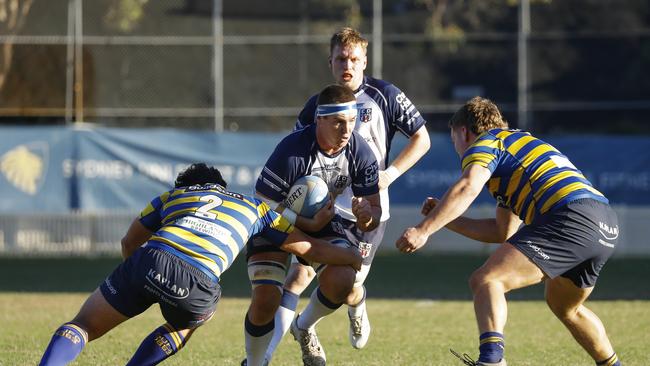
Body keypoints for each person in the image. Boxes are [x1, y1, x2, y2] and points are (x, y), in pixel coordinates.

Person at [39, 163, 362, 366]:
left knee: (82, 325)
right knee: (185, 324)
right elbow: (310, 248)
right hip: (198, 282)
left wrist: (140, 282)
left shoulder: (173, 196)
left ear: (188, 186)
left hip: (150, 259)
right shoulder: (254, 207)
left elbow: (128, 243)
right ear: (220, 186)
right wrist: (351, 255)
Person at [396, 97, 621, 366]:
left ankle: (492, 360)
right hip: (604, 223)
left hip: (569, 216)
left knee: (487, 280)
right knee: (565, 306)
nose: (457, 147)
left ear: (464, 132)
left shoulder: (487, 142)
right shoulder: (519, 151)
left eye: (454, 137)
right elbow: (502, 232)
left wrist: (424, 230)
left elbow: (468, 186)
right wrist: (445, 219)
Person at [258, 26, 431, 365]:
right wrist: (305, 209)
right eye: (340, 59)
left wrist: (388, 176)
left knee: (346, 287)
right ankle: (270, 353)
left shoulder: (386, 95)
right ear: (331, 62)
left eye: (354, 58)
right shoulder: (318, 105)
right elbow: (298, 161)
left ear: (365, 61)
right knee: (297, 276)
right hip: (321, 207)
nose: (347, 65)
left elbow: (422, 138)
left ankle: (340, 310)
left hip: (366, 211)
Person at [244, 84, 381, 366]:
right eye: (338, 122)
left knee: (344, 280)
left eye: (352, 122)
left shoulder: (361, 152)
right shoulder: (293, 150)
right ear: (319, 118)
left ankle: (304, 326)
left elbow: (374, 212)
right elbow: (264, 204)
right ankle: (255, 363)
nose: (346, 131)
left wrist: (366, 213)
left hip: (320, 222)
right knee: (266, 299)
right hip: (273, 221)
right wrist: (306, 221)